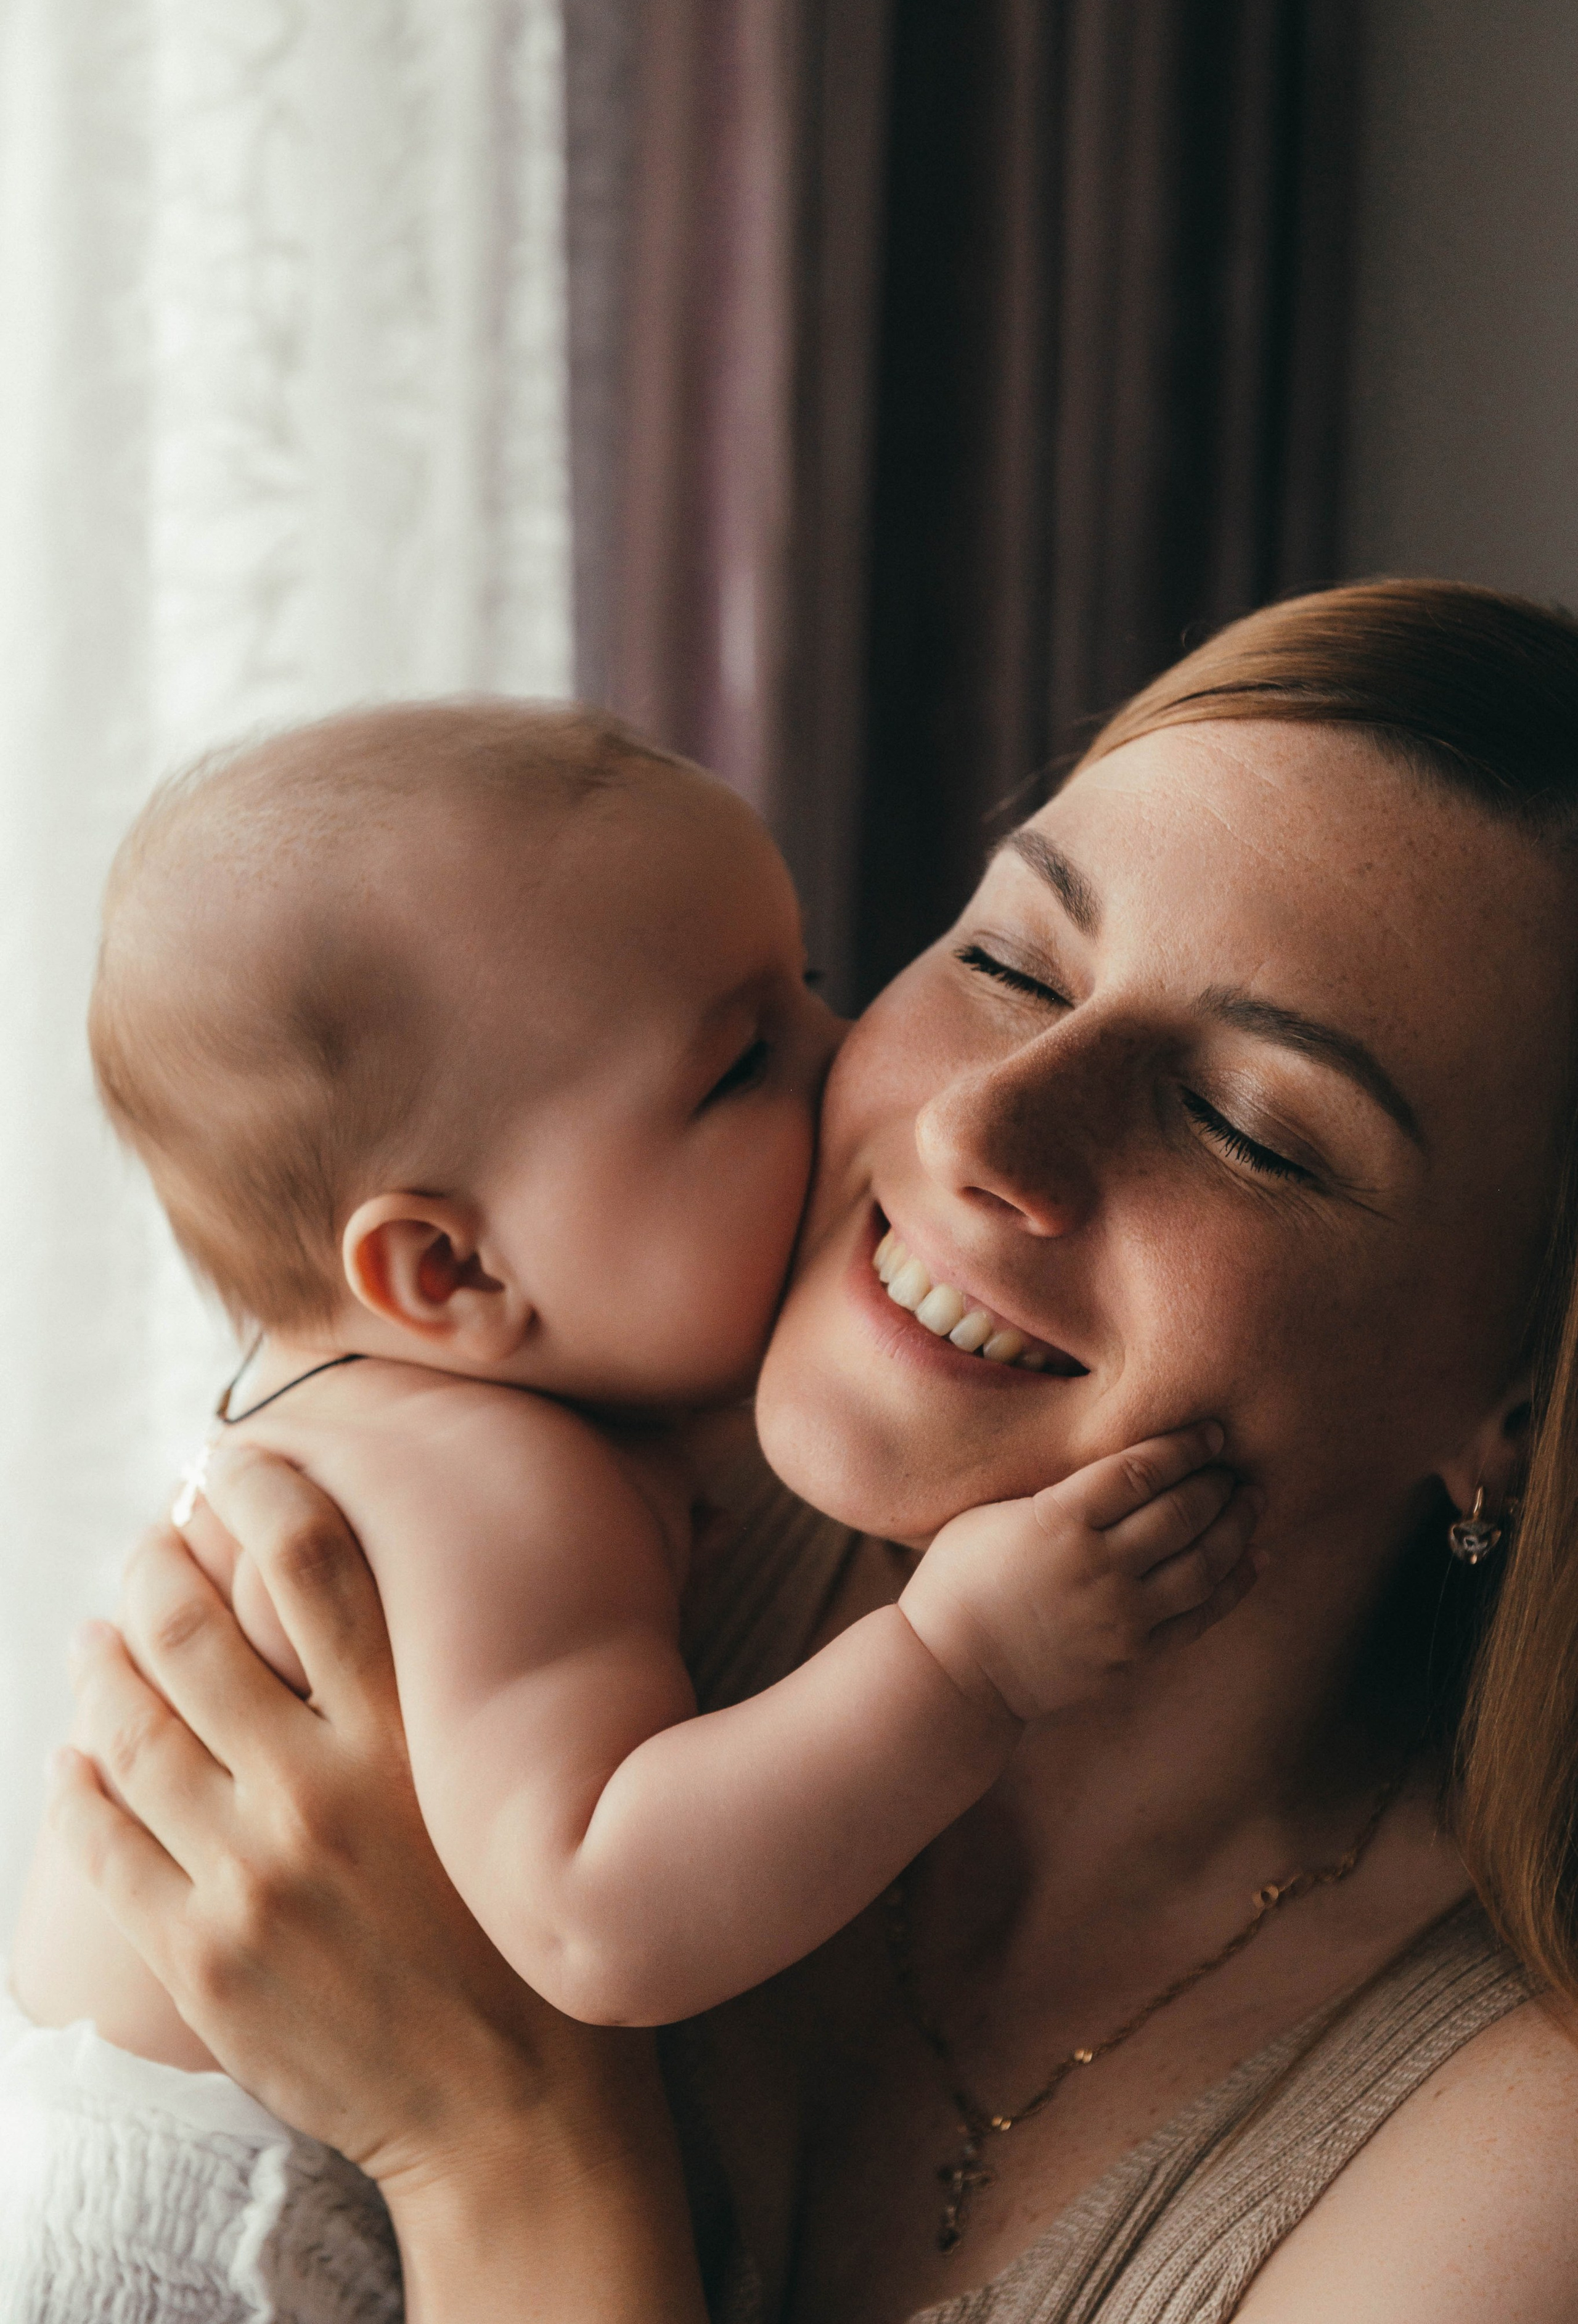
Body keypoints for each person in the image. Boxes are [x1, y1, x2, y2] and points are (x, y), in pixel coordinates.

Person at [21, 579, 1578, 2322]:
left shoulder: (1504, 2168)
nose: (977, 1125)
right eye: (1007, 963)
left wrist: (502, 2142)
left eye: (1245, 1125)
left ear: (1516, 1404)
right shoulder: (500, 1519)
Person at [13, 702, 1255, 2065]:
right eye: (741, 1062)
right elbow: (598, 1915)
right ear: (449, 1272)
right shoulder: (485, 1480)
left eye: (810, 982)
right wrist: (966, 1659)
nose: (842, 1050)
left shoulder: (389, 1401)